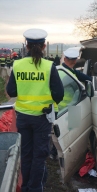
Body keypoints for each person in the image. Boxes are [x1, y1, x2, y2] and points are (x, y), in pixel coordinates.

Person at [6, 28, 64, 192]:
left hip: (23, 117)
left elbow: (11, 92)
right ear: (44, 46)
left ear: (27, 45)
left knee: (26, 155)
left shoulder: (17, 64)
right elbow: (59, 93)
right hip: (42, 118)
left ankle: (25, 188)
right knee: (39, 156)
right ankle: (35, 188)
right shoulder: (49, 66)